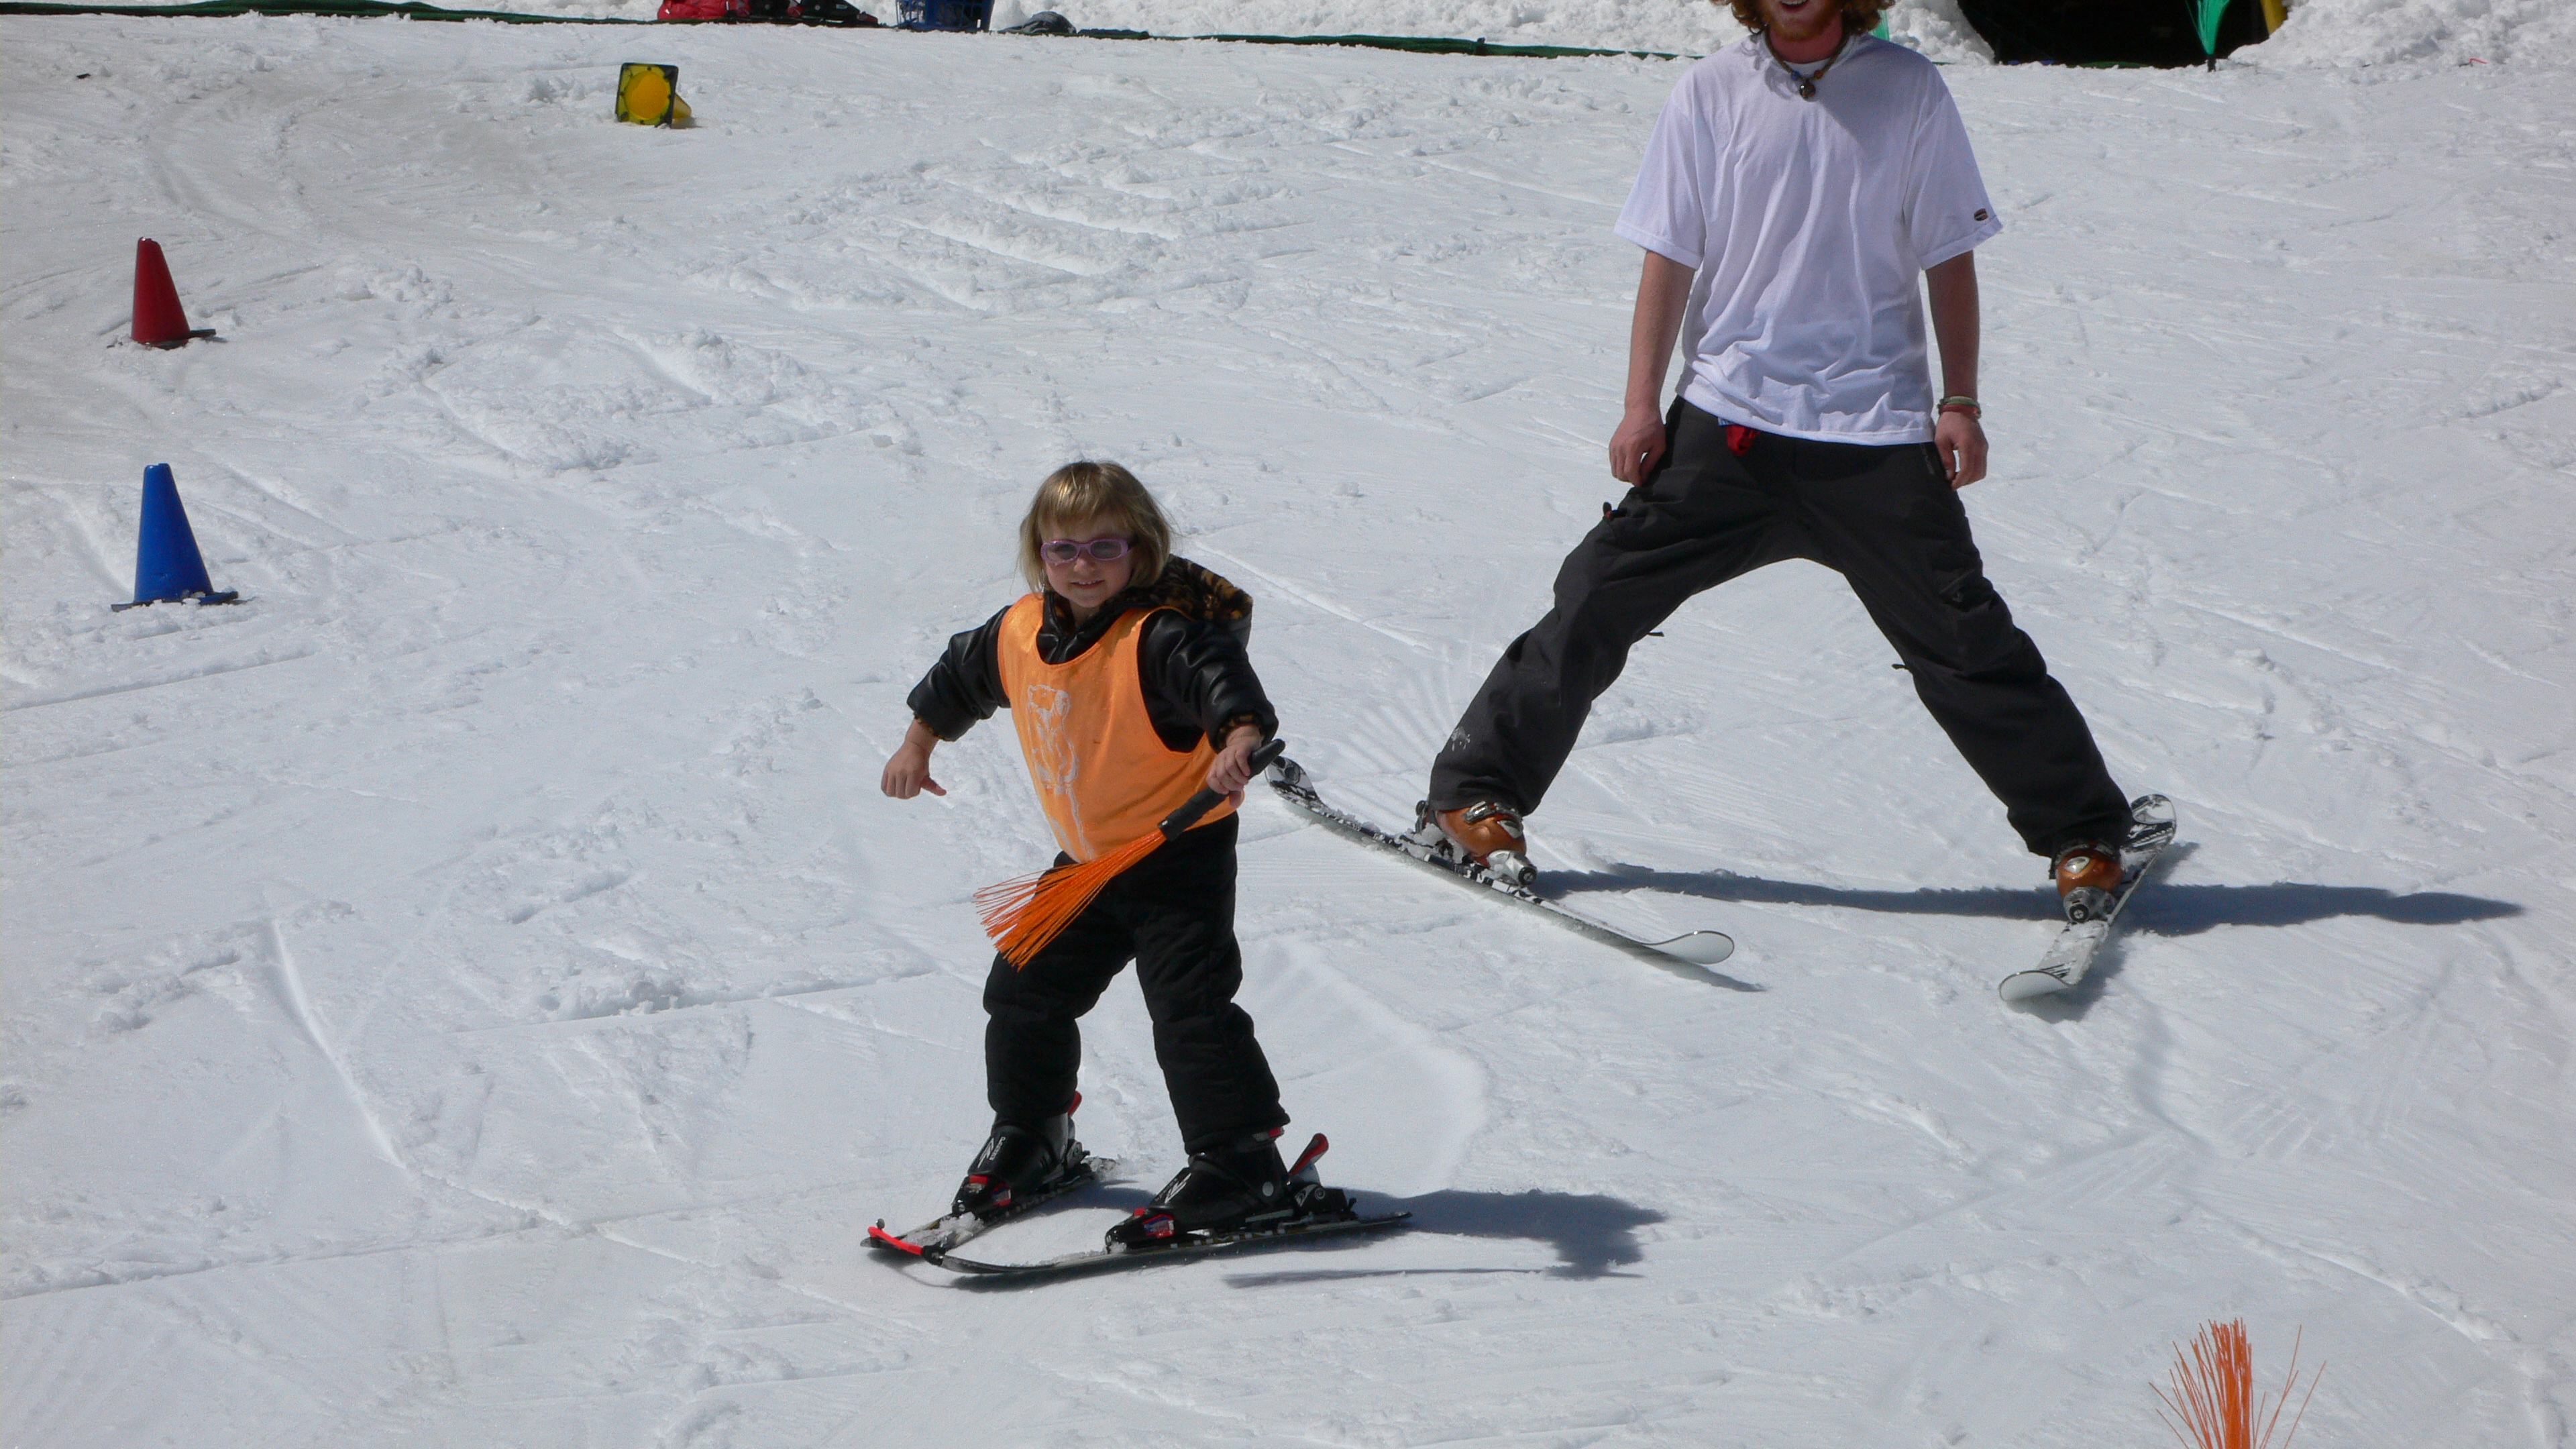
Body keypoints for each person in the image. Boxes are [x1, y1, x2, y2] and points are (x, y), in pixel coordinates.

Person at [1424, 0, 2135, 916]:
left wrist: (1959, 399)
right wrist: (1641, 404)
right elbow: (1668, 257)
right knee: (1597, 598)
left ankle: (2083, 832)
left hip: (1874, 436)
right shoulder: (1710, 91)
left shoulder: (1910, 89)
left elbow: (1949, 255)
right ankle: (1475, 794)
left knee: (1965, 644)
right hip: (1732, 427)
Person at [883, 461, 1307, 1246]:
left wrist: (1238, 740)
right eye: (1064, 550)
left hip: (1177, 859)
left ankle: (1241, 1167)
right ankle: (1034, 1135)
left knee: (1190, 1013)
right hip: (1088, 863)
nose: (1084, 566)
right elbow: (960, 677)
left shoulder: (1161, 636)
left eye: (1105, 548)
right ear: (1039, 554)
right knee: (1022, 993)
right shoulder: (1020, 630)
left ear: (1139, 550)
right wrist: (919, 743)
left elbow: (1223, 684)